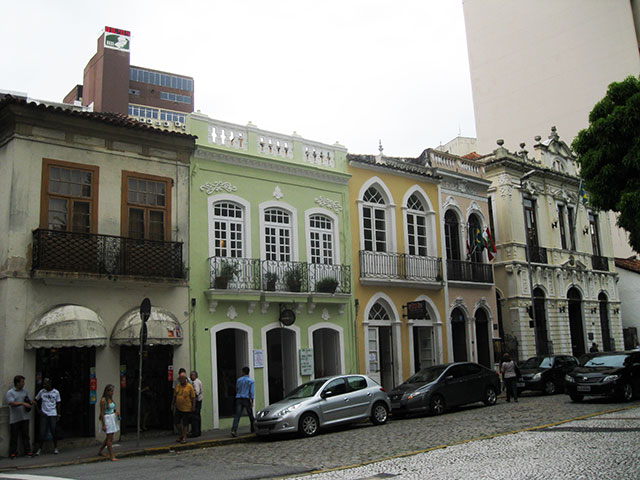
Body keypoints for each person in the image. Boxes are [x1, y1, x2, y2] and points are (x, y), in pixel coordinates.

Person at [6, 375, 35, 459]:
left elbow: (28, 400)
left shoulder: (25, 392)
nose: (23, 383)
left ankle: (28, 451)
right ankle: (13, 453)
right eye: (22, 382)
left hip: (25, 417)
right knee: (14, 437)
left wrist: (31, 402)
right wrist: (22, 403)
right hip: (15, 418)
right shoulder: (10, 392)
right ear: (17, 383)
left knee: (25, 435)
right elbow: (11, 403)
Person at [34, 378, 61, 455]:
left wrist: (58, 414)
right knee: (42, 432)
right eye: (44, 384)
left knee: (53, 431)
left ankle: (55, 448)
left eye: (46, 384)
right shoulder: (42, 392)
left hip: (52, 413)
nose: (44, 385)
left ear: (50, 384)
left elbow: (58, 403)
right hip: (44, 414)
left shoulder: (56, 392)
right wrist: (39, 411)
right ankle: (40, 448)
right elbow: (35, 400)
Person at [231, 366, 255, 437]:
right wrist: (252, 401)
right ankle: (253, 428)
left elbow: (237, 389)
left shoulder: (239, 380)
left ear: (243, 372)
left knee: (237, 415)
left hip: (239, 398)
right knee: (250, 415)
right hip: (246, 399)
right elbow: (252, 392)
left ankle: (234, 430)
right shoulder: (251, 381)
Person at [98, 384, 120, 461]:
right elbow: (102, 413)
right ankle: (111, 455)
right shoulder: (103, 401)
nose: (112, 393)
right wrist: (103, 424)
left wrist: (115, 412)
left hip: (112, 418)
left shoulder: (110, 399)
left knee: (109, 437)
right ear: (107, 391)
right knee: (110, 438)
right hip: (107, 419)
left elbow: (111, 408)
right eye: (111, 391)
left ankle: (100, 451)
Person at [171, 373, 195, 443]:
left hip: (186, 408)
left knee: (185, 423)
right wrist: (172, 404)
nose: (181, 380)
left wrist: (193, 406)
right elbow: (174, 396)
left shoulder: (189, 387)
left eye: (182, 379)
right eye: (180, 379)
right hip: (178, 407)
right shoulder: (178, 386)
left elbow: (193, 397)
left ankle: (184, 437)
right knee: (177, 423)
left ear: (185, 379)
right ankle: (182, 434)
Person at [189, 370, 203, 438]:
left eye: (191, 375)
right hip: (199, 400)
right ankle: (198, 431)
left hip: (197, 401)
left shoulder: (196, 382)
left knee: (194, 417)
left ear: (195, 376)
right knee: (197, 416)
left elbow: (196, 392)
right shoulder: (197, 381)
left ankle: (195, 432)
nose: (190, 376)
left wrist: (192, 399)